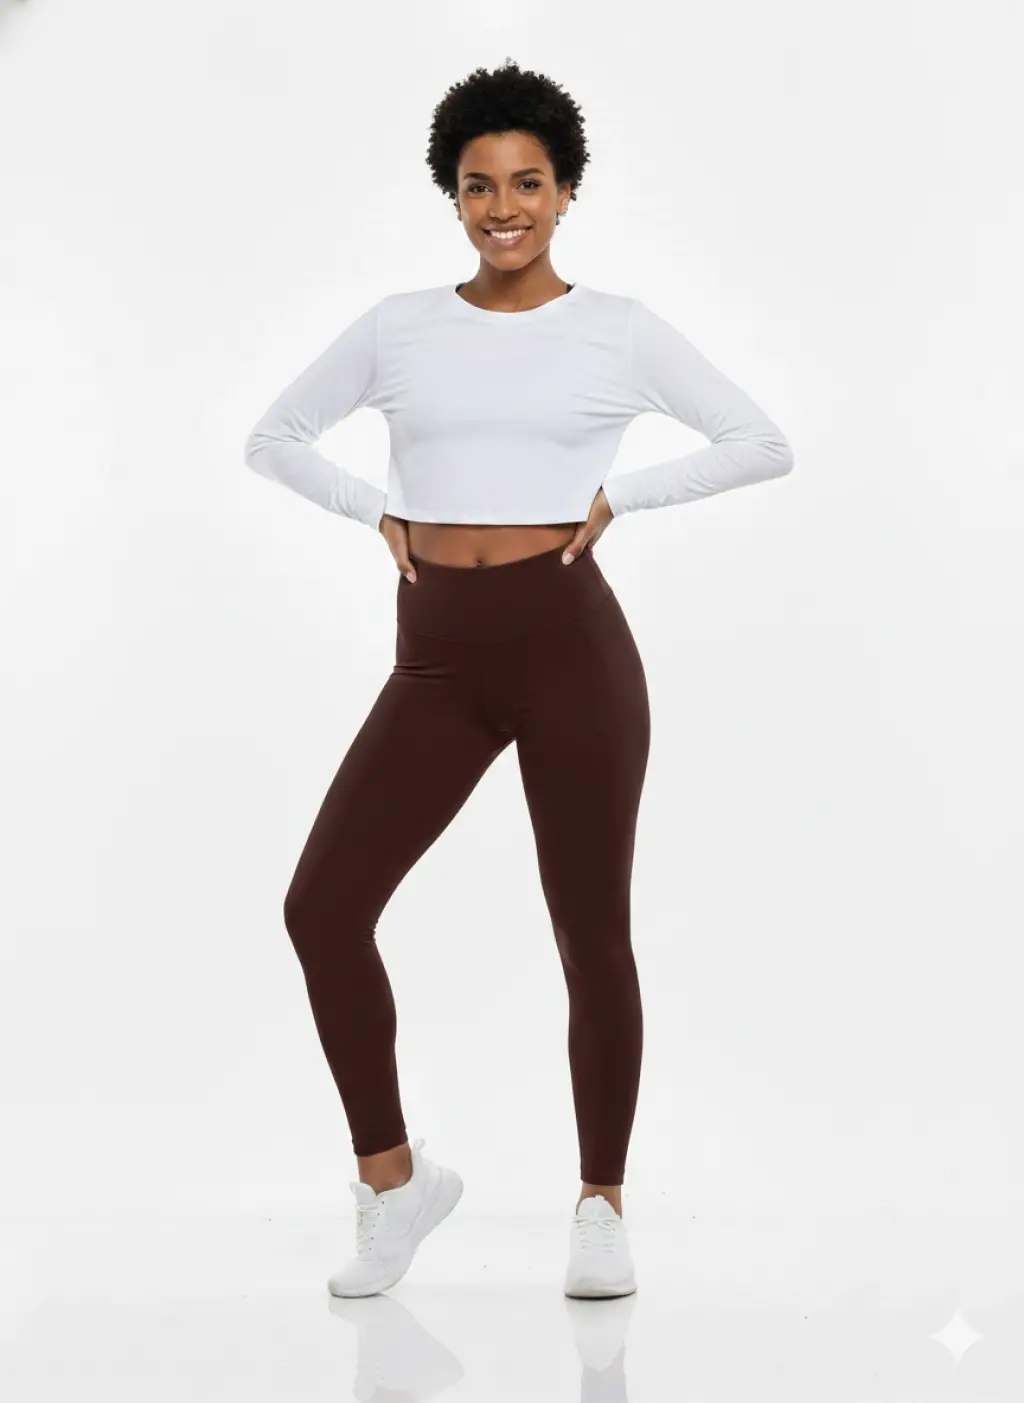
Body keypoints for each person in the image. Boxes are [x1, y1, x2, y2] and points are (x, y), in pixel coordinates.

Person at [243, 58, 794, 1301]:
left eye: (528, 183)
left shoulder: (618, 330)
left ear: (565, 191)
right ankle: (394, 1183)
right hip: (435, 659)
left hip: (569, 650)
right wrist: (375, 509)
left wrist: (619, 495)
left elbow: (761, 441)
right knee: (322, 907)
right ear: (452, 194)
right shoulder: (398, 327)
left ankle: (600, 1203)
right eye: (479, 185)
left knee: (590, 932)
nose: (504, 208)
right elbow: (272, 436)